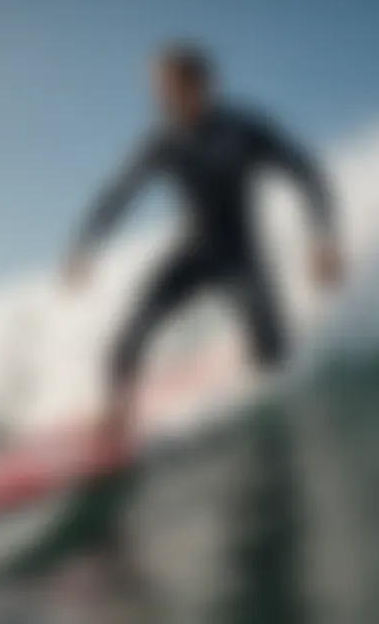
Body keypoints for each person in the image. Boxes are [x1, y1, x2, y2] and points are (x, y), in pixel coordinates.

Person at [64, 41, 343, 446]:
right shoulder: (162, 141)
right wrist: (85, 245)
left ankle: (261, 370)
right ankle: (117, 412)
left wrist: (324, 237)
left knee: (274, 355)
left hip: (241, 256)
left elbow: (304, 172)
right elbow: (118, 195)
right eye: (157, 89)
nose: (159, 97)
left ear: (202, 85)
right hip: (192, 253)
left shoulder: (245, 130)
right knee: (127, 334)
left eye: (168, 87)